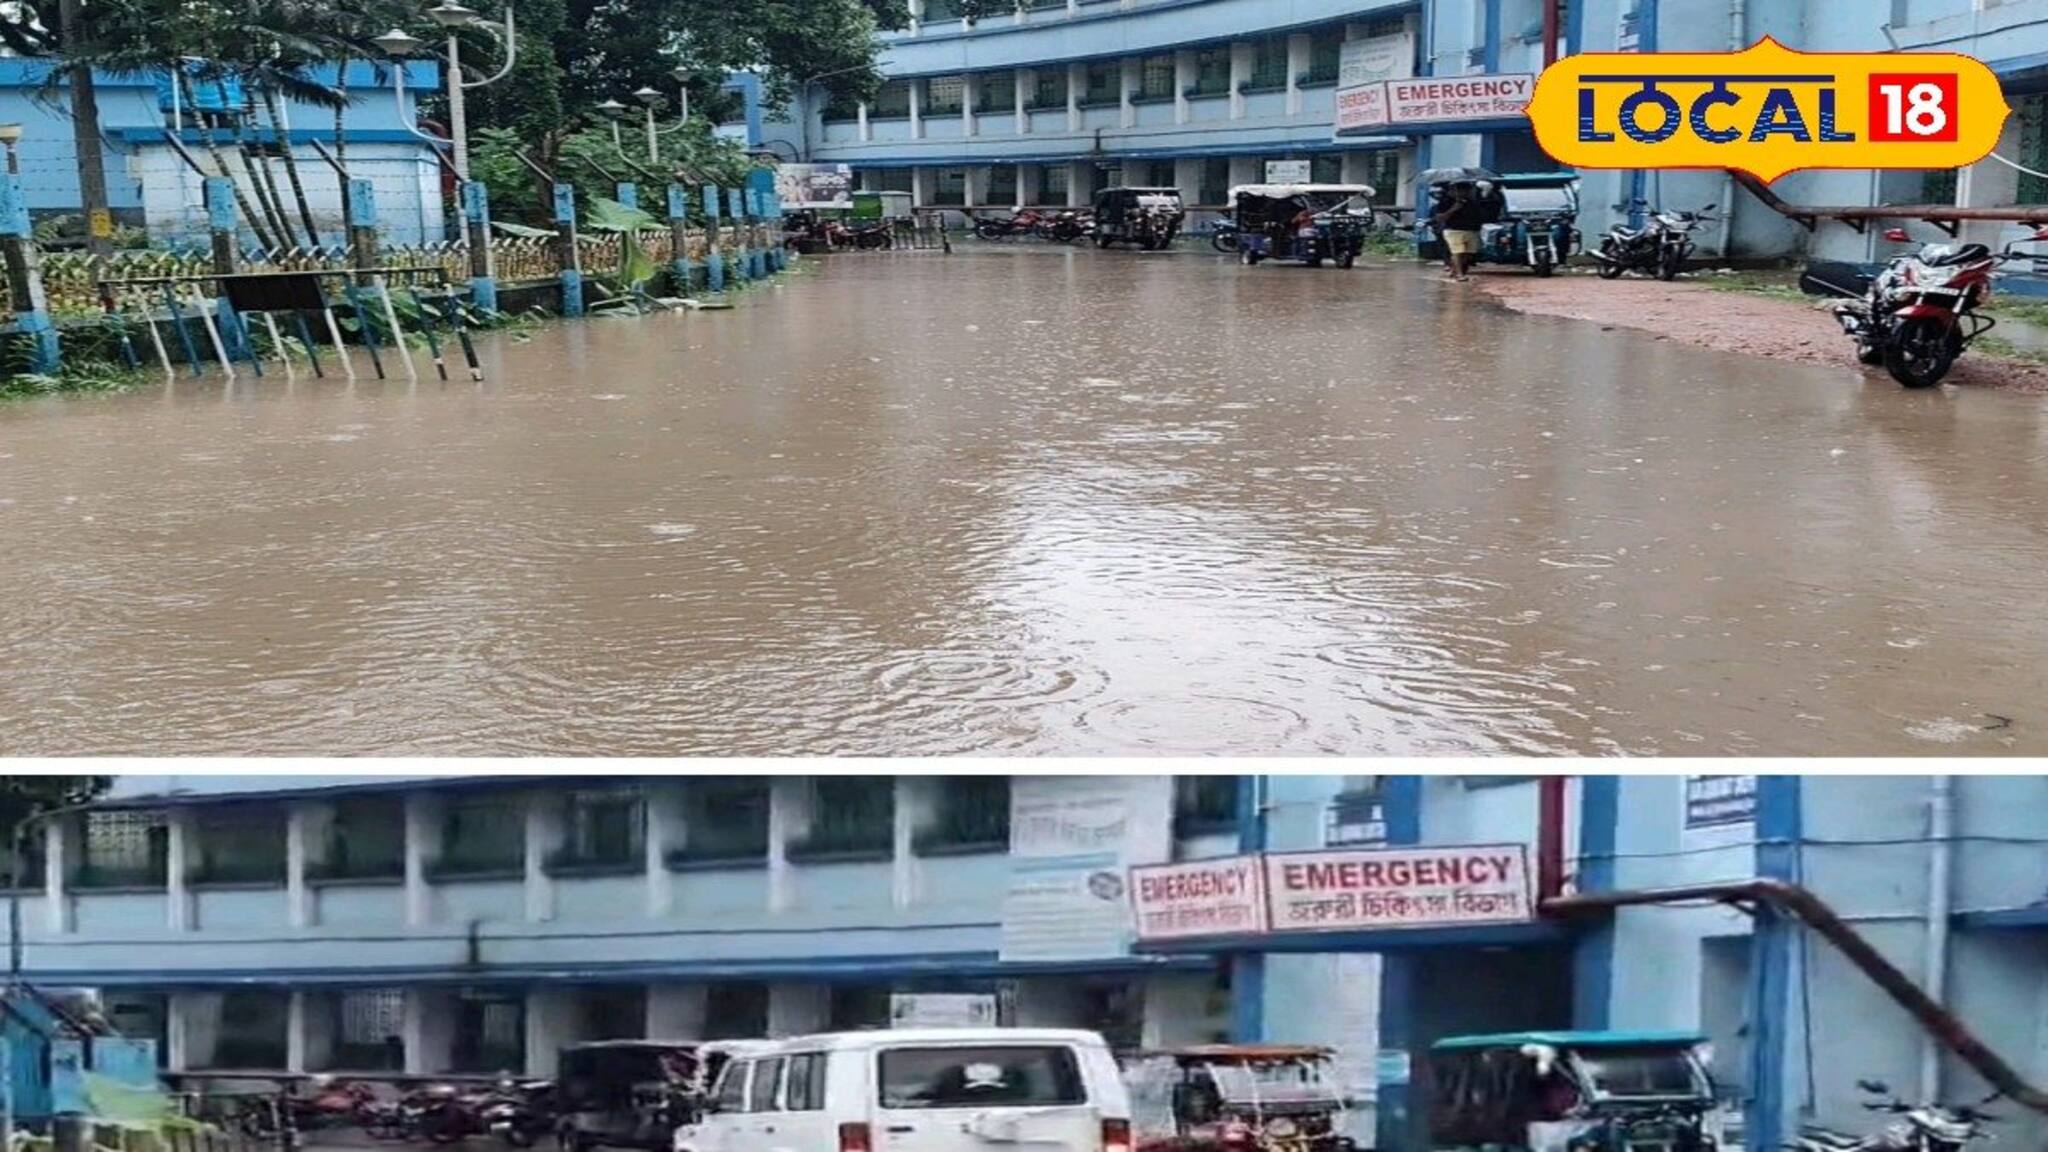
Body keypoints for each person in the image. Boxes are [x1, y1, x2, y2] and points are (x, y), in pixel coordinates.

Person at [1434, 182, 1487, 281]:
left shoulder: (1473, 202)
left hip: (1472, 230)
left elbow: (1479, 215)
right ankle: (1459, 274)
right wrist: (1454, 209)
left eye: (1468, 190)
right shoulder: (1445, 201)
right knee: (1457, 252)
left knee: (1469, 254)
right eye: (1464, 190)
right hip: (1454, 230)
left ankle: (1456, 269)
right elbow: (1440, 218)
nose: (1467, 192)